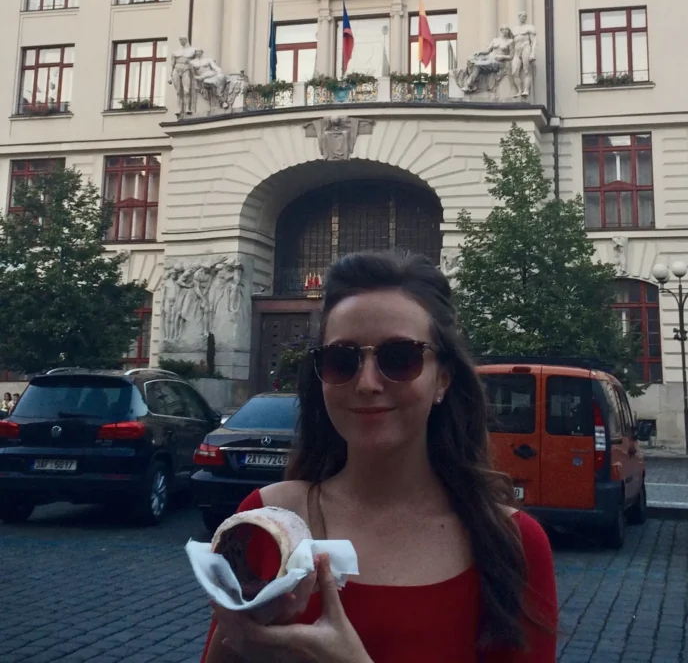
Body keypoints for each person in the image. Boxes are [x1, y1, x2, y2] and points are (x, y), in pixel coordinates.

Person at [202, 251, 557, 663]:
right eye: (341, 360)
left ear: (443, 377)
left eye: (399, 358)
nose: (368, 383)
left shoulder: (512, 543)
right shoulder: (265, 519)